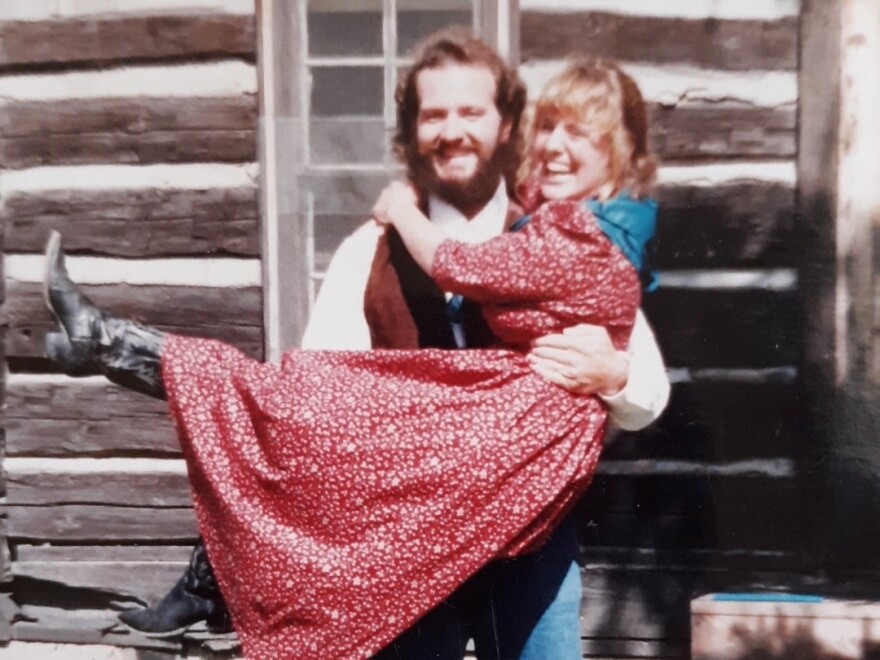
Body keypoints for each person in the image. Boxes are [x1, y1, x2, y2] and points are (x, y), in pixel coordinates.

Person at [44, 33, 668, 660]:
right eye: (434, 116)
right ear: (411, 132)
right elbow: (310, 402)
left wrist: (613, 373)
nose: (453, 131)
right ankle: (116, 352)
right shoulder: (368, 249)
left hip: (529, 535)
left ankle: (118, 350)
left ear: (506, 126)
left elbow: (649, 384)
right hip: (398, 545)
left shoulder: (559, 231)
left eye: (471, 112)